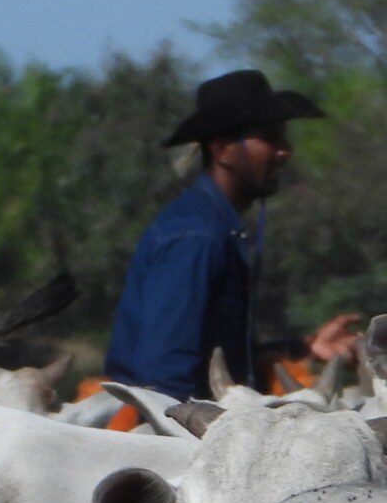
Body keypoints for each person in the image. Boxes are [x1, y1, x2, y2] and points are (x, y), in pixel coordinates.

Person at [104, 69, 326, 402]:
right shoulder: (198, 235)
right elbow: (165, 375)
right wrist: (182, 429)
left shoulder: (217, 226)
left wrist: (304, 348)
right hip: (174, 426)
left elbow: (223, 360)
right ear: (222, 149)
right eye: (270, 138)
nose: (285, 151)